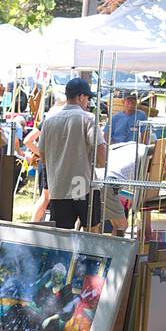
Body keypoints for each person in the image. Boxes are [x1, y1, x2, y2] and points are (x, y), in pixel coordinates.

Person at [39, 77, 106, 230]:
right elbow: (100, 148)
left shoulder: (49, 120)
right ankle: (87, 255)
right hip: (80, 182)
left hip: (58, 185)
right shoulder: (87, 118)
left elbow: (42, 153)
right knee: (90, 230)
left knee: (62, 236)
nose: (88, 102)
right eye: (87, 98)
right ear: (81, 97)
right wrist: (101, 164)